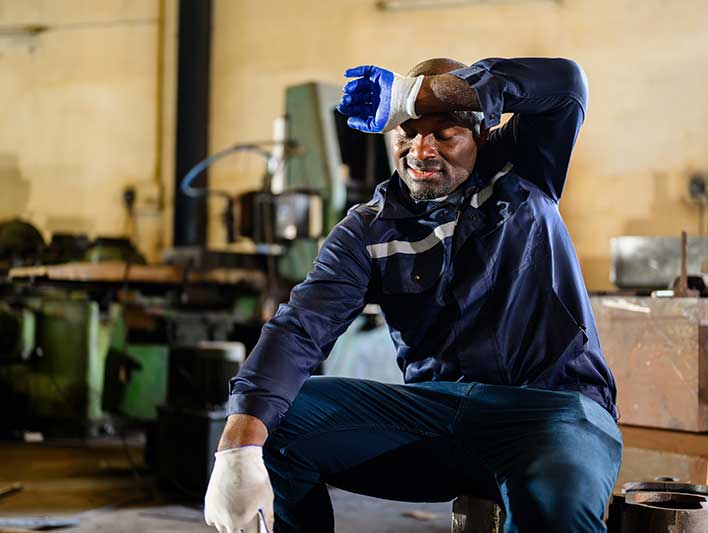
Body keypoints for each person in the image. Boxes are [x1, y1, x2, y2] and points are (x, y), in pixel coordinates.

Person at [204, 57, 622, 533]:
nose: (420, 151)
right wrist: (239, 444)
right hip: (439, 421)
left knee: (557, 514)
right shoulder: (367, 231)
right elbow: (300, 328)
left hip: (556, 412)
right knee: (279, 421)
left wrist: (410, 95)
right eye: (405, 133)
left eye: (444, 135)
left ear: (481, 136)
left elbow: (566, 84)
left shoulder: (522, 169)